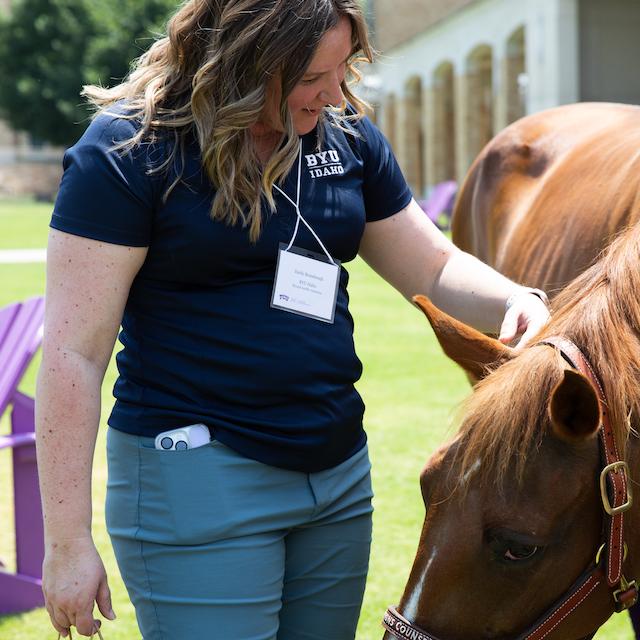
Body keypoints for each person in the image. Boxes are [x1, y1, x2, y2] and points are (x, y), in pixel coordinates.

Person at [35, 1, 550, 638]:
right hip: (199, 475)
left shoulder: (346, 137)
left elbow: (434, 266)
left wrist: (514, 300)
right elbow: (72, 353)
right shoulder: (128, 151)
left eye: (342, 71)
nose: (334, 94)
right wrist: (66, 543)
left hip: (335, 478)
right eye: (312, 77)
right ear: (246, 64)